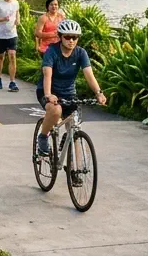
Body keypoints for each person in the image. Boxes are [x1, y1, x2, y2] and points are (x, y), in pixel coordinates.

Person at [37, 20, 107, 161]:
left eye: (74, 37)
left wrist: (99, 93)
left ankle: (77, 170)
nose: (71, 40)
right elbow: (47, 74)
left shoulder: (81, 53)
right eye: (67, 37)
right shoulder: (52, 51)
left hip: (69, 93)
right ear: (60, 36)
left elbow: (89, 74)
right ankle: (43, 137)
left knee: (75, 131)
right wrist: (48, 94)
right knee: (56, 111)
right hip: (49, 91)